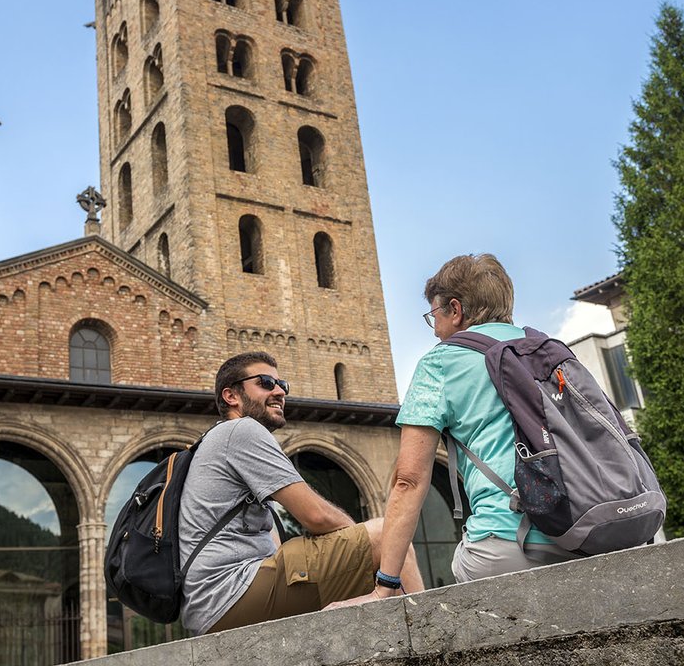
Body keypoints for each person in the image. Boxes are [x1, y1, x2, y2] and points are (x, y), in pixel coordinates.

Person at [326, 253, 571, 611]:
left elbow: (408, 481)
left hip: (508, 541)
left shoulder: (441, 362)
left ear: (455, 310)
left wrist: (385, 587)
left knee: (462, 572)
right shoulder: (550, 351)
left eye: (434, 317)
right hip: (582, 529)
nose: (436, 330)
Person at [178, 351, 424, 634]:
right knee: (388, 536)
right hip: (229, 593)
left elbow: (274, 548)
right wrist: (364, 545)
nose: (280, 391)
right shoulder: (241, 430)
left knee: (372, 561)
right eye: (266, 382)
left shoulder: (218, 439)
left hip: (214, 603)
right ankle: (429, 639)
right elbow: (316, 516)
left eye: (283, 384)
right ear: (231, 396)